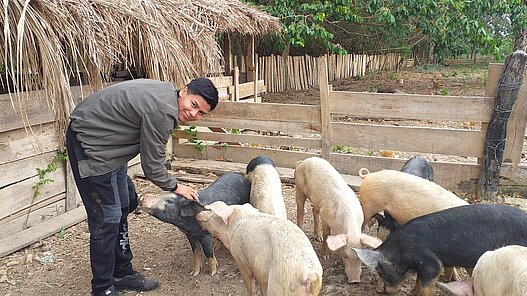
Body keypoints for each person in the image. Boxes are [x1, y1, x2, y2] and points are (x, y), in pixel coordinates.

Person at [66, 78, 219, 296]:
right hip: (90, 143)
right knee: (107, 218)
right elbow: (152, 167)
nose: (194, 115)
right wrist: (177, 187)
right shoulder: (163, 111)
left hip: (110, 147)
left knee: (125, 203)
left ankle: (122, 272)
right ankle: (102, 288)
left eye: (201, 113)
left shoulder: (168, 97)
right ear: (184, 91)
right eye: (194, 105)